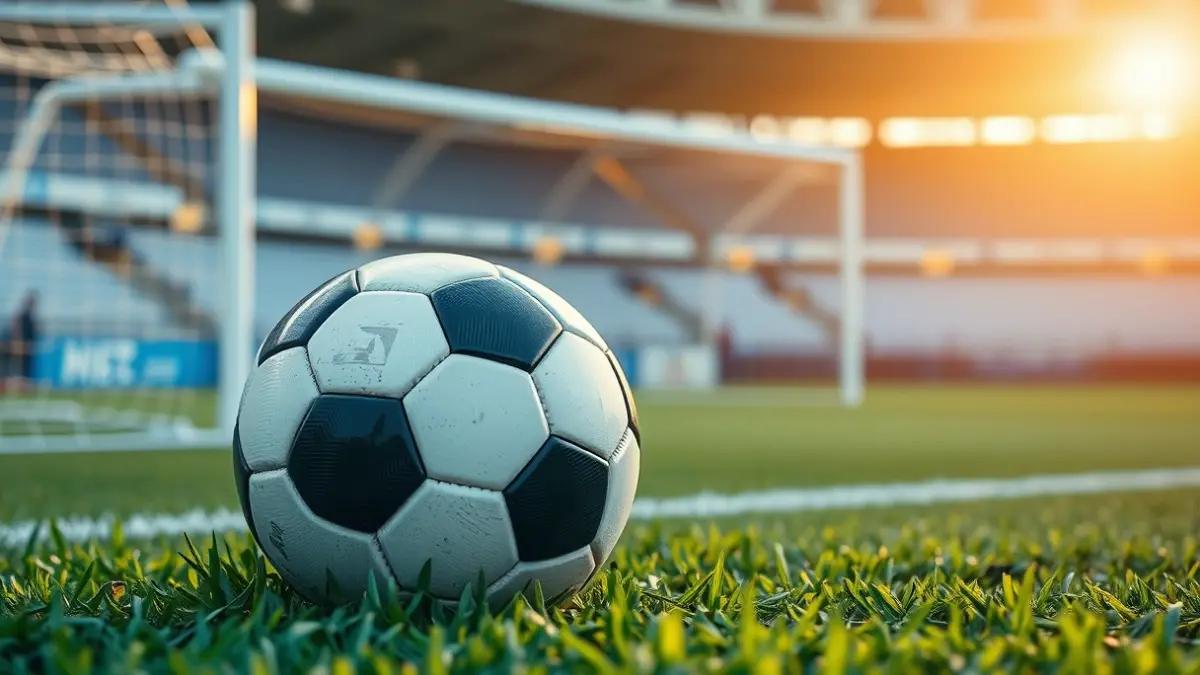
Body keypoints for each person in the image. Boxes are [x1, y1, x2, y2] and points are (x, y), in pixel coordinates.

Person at [6, 291, 39, 392]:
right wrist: (18, 341)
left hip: (27, 345)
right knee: (20, 366)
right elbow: (16, 328)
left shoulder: (29, 315)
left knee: (25, 367)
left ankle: (22, 386)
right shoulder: (23, 315)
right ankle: (17, 386)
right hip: (21, 345)